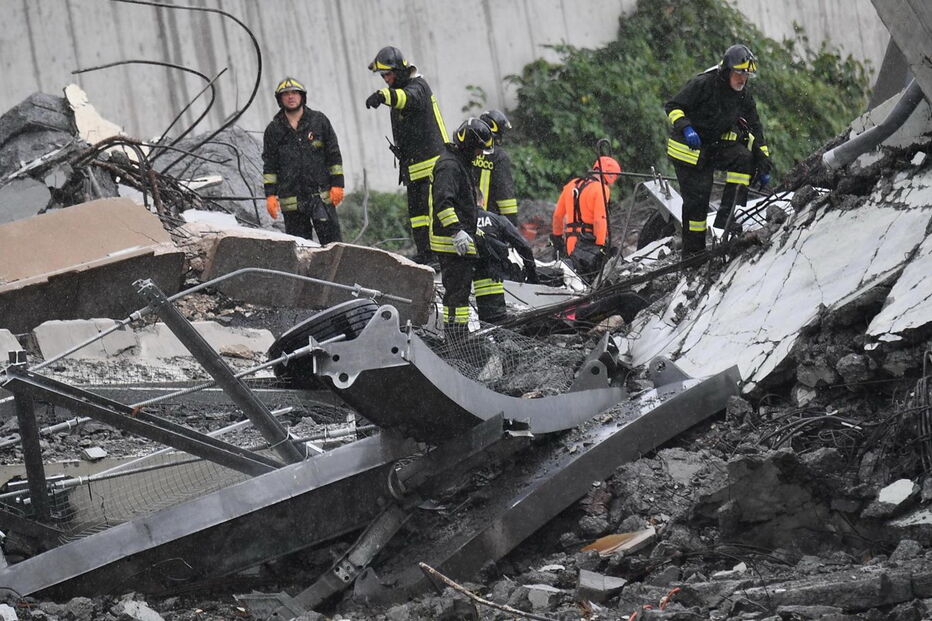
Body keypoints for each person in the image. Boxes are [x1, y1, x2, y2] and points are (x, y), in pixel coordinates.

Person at [663, 44, 772, 256]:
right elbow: (673, 106)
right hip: (687, 149)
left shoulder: (743, 95)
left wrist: (764, 161)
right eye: (739, 73)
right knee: (698, 202)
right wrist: (686, 127)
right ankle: (693, 255)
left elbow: (755, 127)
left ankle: (729, 222)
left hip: (712, 147)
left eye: (747, 74)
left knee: (743, 158)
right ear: (727, 71)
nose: (743, 79)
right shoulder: (703, 84)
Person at [366, 46, 450, 265]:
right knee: (418, 217)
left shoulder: (418, 86)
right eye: (383, 76)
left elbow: (407, 99)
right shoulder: (401, 90)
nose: (385, 79)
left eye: (388, 74)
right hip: (413, 169)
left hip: (433, 166)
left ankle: (439, 255)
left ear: (400, 70)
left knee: (434, 213)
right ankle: (426, 254)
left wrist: (382, 96)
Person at [429, 118, 493, 342]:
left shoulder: (459, 162)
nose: (479, 154)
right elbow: (442, 203)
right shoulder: (449, 166)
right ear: (467, 145)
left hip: (460, 240)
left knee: (461, 293)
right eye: (478, 149)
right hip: (451, 243)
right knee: (456, 295)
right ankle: (455, 339)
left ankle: (459, 335)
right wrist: (456, 231)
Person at [262, 77, 345, 244]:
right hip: (292, 201)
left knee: (334, 247)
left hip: (320, 196)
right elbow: (270, 166)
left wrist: (338, 185)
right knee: (301, 249)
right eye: (286, 94)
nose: (291, 97)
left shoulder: (319, 121)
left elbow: (333, 155)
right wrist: (270, 195)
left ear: (302, 96)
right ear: (280, 99)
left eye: (294, 93)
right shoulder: (273, 129)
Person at [550, 156, 622, 282]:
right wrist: (600, 247)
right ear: (609, 174)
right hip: (587, 245)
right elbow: (600, 220)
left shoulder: (572, 185)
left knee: (570, 279)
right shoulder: (601, 189)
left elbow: (557, 215)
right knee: (588, 282)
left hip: (569, 242)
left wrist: (557, 240)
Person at [473, 208, 537, 323]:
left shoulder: (460, 223)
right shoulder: (497, 220)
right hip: (496, 281)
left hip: (467, 279)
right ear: (482, 201)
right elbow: (523, 246)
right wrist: (531, 273)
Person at [471, 110, 519, 226]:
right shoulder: (498, 157)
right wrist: (511, 226)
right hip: (488, 222)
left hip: (466, 219)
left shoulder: (468, 151)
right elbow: (506, 198)